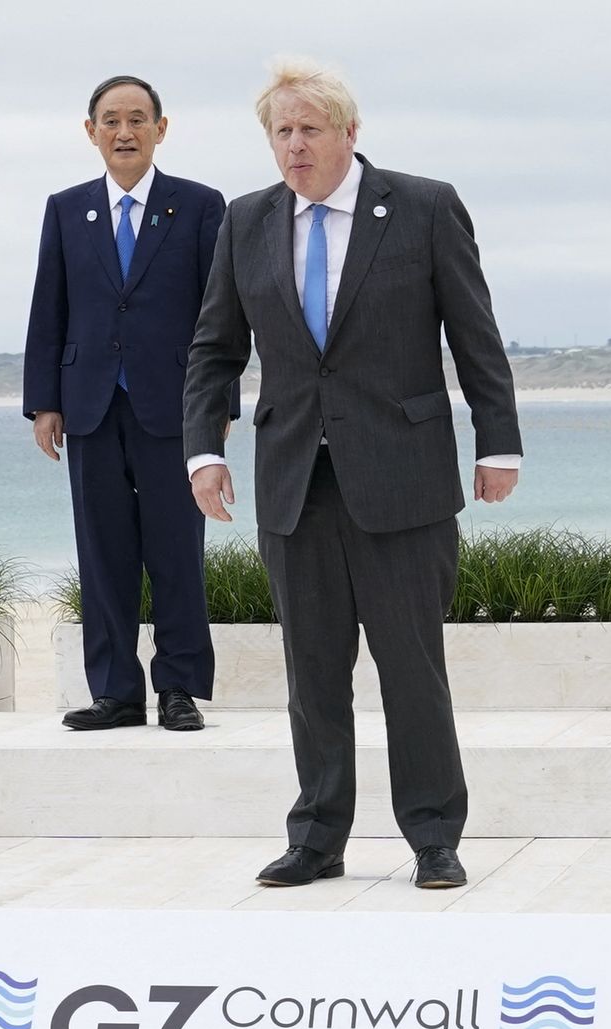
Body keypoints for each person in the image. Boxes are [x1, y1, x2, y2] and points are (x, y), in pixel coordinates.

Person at [184, 59, 522, 889]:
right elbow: (214, 348)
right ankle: (317, 836)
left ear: (349, 132)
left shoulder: (424, 206)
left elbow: (474, 334)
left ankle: (434, 836)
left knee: (413, 669)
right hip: (294, 480)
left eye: (308, 129)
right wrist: (203, 450)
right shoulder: (245, 221)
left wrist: (499, 442)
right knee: (312, 673)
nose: (293, 147)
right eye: (280, 132)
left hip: (402, 477)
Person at [22, 76, 228, 733]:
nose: (124, 131)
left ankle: (178, 688)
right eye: (111, 120)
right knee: (101, 553)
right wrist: (43, 402)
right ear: (91, 132)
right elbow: (48, 309)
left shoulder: (199, 207)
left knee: (176, 551)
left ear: (161, 129)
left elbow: (219, 318)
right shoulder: (65, 209)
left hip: (173, 407)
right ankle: (114, 692)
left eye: (138, 119)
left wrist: (217, 405)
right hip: (88, 406)